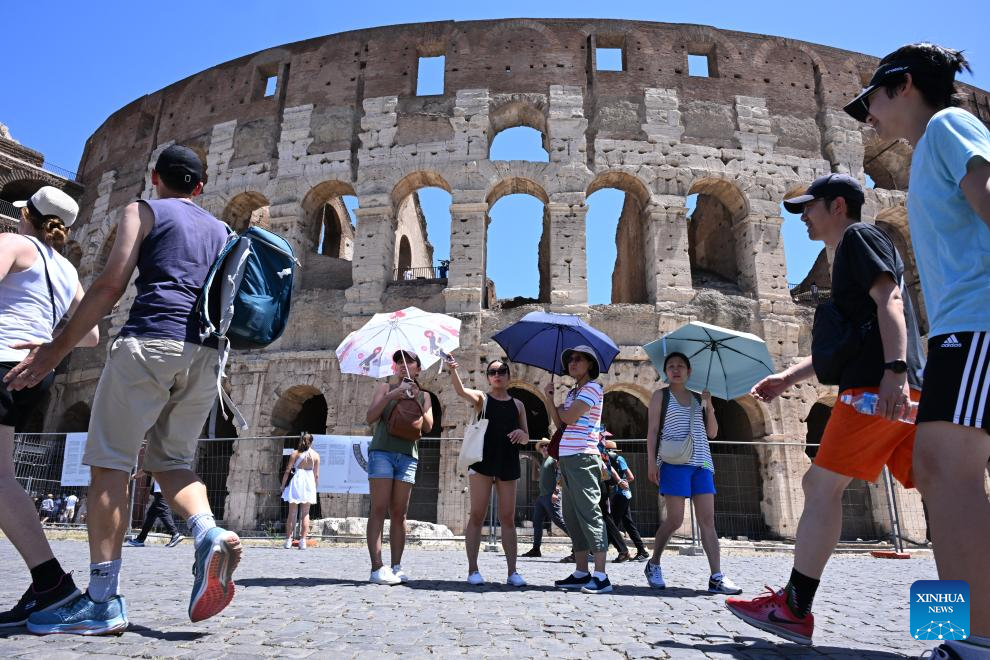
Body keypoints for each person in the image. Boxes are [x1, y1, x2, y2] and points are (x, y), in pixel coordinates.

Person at [5, 145, 242, 634]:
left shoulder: (144, 209)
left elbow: (112, 284)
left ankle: (101, 598)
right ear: (200, 186)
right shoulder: (222, 230)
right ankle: (207, 531)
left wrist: (54, 349)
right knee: (173, 461)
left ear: (155, 177)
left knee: (111, 465)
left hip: (150, 341)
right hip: (207, 354)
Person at [725, 173, 924, 646]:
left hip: (876, 390)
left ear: (838, 206)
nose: (804, 220)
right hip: (899, 386)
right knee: (948, 497)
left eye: (809, 209)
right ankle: (962, 631)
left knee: (819, 484)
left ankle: (794, 609)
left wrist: (894, 369)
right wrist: (788, 378)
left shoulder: (858, 237)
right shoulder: (850, 255)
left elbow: (890, 299)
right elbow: (849, 341)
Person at [844, 43, 990, 660]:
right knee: (937, 475)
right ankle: (954, 637)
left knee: (944, 474)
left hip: (978, 323)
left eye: (870, 101)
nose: (867, 117)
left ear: (901, 85)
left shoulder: (951, 126)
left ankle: (970, 640)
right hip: (960, 330)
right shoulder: (931, 146)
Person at [0, 184, 97, 627]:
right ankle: (49, 582)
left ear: (26, 218)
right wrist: (49, 344)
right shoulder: (66, 270)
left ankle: (52, 583)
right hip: (35, 371)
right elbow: (91, 335)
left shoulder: (14, 243)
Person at [644, 352, 742, 596]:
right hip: (674, 463)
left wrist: (710, 406)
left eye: (680, 366)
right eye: (671, 366)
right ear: (666, 371)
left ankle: (716, 576)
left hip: (702, 463)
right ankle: (654, 563)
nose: (676, 370)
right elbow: (653, 431)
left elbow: (712, 433)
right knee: (675, 520)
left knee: (707, 521)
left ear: (689, 372)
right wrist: (651, 463)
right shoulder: (661, 396)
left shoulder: (700, 398)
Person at [449, 356, 529, 587]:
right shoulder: (482, 399)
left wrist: (521, 435)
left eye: (502, 371)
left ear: (508, 376)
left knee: (507, 518)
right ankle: (473, 569)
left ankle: (512, 572)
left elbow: (526, 435)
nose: (497, 374)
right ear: (487, 377)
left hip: (507, 460)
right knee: (477, 515)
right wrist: (453, 369)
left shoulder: (518, 405)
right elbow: (461, 391)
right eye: (492, 371)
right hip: (483, 460)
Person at [543, 344, 613, 594]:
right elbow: (559, 421)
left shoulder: (593, 388)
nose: (572, 363)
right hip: (568, 457)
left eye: (579, 359)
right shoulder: (574, 392)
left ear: (590, 365)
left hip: (583, 457)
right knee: (572, 516)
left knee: (589, 513)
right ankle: (582, 572)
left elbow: (569, 418)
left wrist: (563, 411)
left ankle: (602, 576)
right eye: (570, 359)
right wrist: (549, 399)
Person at [364, 349, 433, 585]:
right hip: (382, 451)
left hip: (407, 455)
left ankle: (396, 566)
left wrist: (413, 397)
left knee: (399, 513)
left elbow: (427, 427)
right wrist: (393, 394)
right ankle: (376, 568)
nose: (403, 365)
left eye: (409, 361)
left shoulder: (424, 396)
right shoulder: (384, 388)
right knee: (379, 508)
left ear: (418, 368)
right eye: (398, 362)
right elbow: (370, 417)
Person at [521, 438, 568, 558]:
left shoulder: (553, 459)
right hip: (542, 496)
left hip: (551, 495)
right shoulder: (544, 460)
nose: (545, 448)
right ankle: (536, 549)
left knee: (558, 520)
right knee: (537, 522)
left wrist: (556, 492)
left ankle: (580, 543)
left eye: (547, 445)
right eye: (542, 446)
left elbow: (560, 475)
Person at [603, 440, 648, 561]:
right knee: (628, 525)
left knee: (611, 524)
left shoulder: (616, 459)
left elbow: (630, 476)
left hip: (621, 495)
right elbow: (629, 476)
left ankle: (615, 551)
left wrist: (620, 483)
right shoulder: (618, 459)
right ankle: (642, 550)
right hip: (624, 494)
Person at [280, 432, 320, 550]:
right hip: (309, 483)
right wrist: (314, 488)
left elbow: (288, 470)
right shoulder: (316, 455)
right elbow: (316, 475)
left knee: (292, 513)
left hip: (297, 481)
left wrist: (283, 485)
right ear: (311, 442)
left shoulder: (295, 453)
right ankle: (302, 541)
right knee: (305, 513)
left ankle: (288, 541)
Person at [597, 436, 631, 562]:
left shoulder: (598, 446)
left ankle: (622, 550)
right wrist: (619, 481)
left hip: (598, 484)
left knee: (606, 517)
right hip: (598, 483)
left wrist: (619, 481)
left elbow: (607, 466)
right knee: (607, 517)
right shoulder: (598, 444)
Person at [126, 474, 184, 548]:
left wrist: (135, 476)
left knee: (163, 511)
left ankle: (175, 534)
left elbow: (146, 468)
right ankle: (140, 539)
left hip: (161, 488)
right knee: (151, 514)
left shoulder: (161, 462)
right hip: (165, 486)